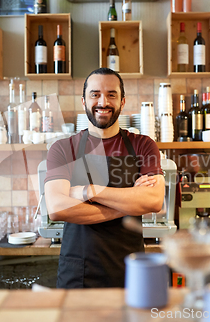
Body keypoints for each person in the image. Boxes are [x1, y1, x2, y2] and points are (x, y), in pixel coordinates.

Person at [44, 67, 165, 288]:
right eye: (95, 94)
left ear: (122, 101)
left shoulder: (143, 145)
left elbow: (154, 201)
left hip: (131, 271)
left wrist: (89, 191)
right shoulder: (63, 149)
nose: (103, 101)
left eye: (111, 94)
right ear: (83, 101)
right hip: (79, 273)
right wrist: (131, 203)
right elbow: (58, 207)